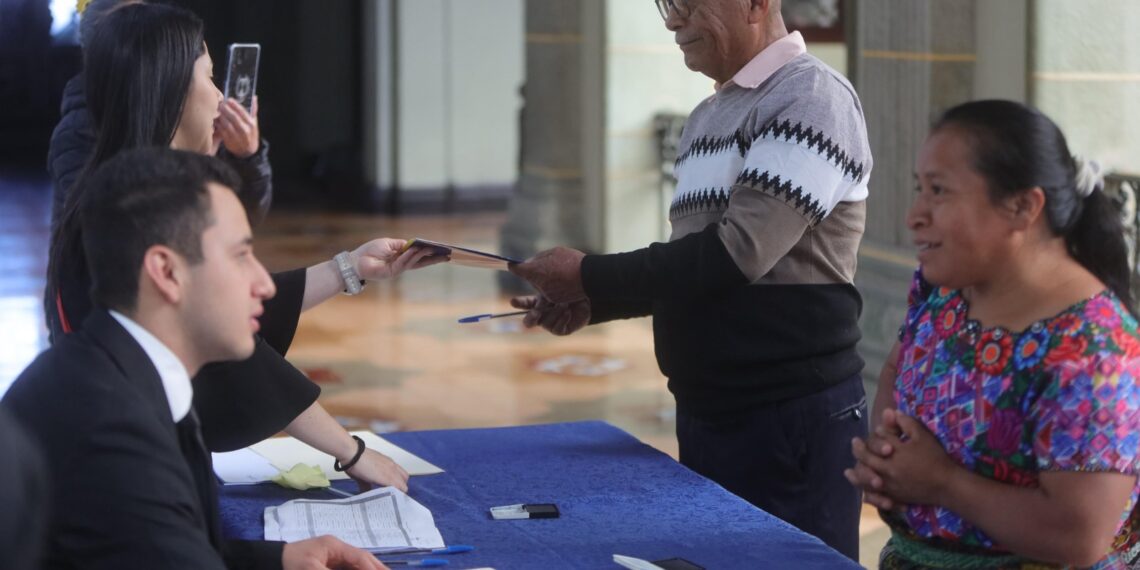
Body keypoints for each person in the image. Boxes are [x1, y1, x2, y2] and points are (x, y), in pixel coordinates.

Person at [508, 0, 872, 559]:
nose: (673, 20)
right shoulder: (708, 115)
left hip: (788, 413)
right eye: (666, 3)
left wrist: (588, 274)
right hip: (712, 410)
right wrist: (595, 302)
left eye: (687, 3)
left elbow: (737, 254)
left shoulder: (810, 97)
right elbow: (696, 270)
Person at [46, 2, 441, 492]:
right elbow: (229, 347)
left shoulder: (129, 192)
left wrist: (350, 267)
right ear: (168, 89)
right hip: (122, 475)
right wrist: (352, 451)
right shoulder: (135, 217)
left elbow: (229, 302)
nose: (221, 97)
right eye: (210, 79)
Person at [4, 148, 389, 569]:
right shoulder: (111, 427)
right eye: (241, 256)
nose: (264, 284)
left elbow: (169, 549)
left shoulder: (123, 370)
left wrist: (280, 559)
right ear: (167, 272)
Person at [845, 100, 1140, 568]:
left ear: (1023, 206)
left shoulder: (1095, 348)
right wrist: (888, 465)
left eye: (939, 191)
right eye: (920, 189)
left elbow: (1078, 536)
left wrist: (941, 483)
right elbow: (898, 368)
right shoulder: (946, 288)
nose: (914, 216)